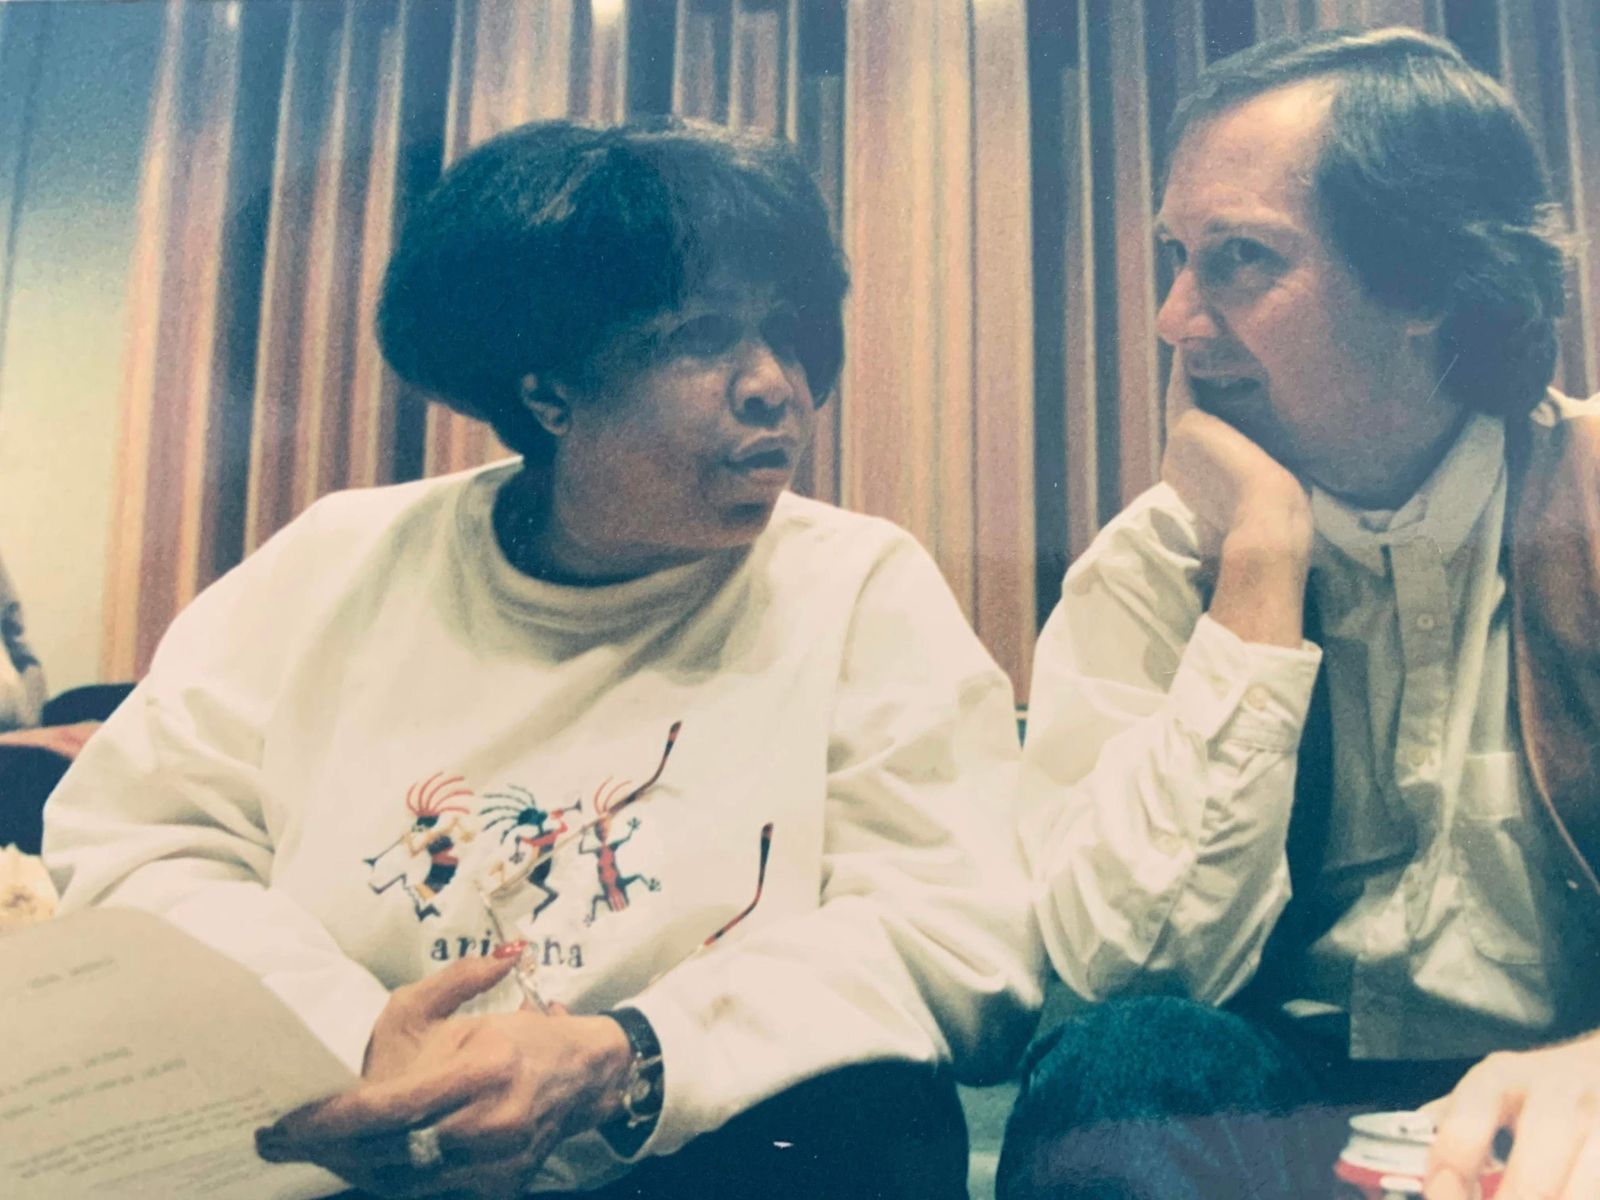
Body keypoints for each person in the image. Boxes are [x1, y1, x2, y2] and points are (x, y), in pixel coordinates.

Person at [43, 118, 1041, 1199]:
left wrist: (631, 1056)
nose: (774, 386)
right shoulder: (337, 564)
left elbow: (958, 938)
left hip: (708, 1159)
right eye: (702, 335)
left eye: (787, 333)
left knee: (876, 1118)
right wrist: (352, 1041)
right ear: (548, 393)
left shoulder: (856, 587)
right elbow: (143, 844)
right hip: (351, 1153)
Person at [1007, 27, 1600, 1200]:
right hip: (1269, 1119)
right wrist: (1260, 562)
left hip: (1571, 1101)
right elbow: (1129, 969)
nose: (1174, 318)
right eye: (1176, 257)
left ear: (1427, 283)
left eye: (1240, 259)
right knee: (1124, 1065)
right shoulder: (1153, 563)